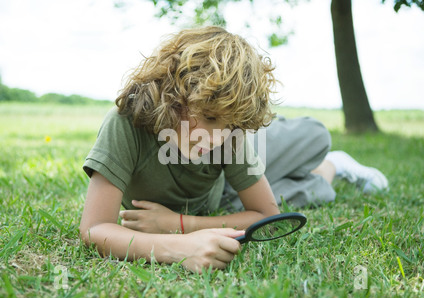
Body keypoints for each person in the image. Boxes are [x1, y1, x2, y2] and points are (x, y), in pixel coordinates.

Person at [79, 26, 388, 273]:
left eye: (230, 125)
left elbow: (266, 214)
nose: (217, 139)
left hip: (219, 190)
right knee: (320, 193)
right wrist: (178, 249)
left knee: (315, 136)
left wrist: (180, 226)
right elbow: (94, 229)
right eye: (210, 118)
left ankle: (329, 158)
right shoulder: (125, 123)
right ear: (172, 93)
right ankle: (333, 167)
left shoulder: (230, 135)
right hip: (224, 198)